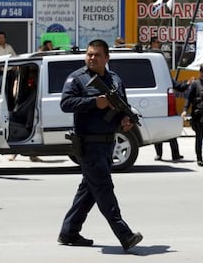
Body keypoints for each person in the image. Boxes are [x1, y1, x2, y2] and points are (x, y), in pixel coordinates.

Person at [57, 39, 142, 250]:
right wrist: (95, 102)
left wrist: (125, 120)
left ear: (106, 58)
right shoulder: (77, 79)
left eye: (96, 55)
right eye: (89, 54)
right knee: (104, 189)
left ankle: (69, 232)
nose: (92, 58)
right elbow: (66, 104)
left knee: (89, 190)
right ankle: (125, 235)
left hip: (107, 144)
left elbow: (123, 106)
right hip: (88, 145)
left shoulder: (115, 80)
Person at [154, 78, 193, 161]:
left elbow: (179, 87)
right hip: (160, 106)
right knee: (162, 131)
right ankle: (161, 154)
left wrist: (187, 83)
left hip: (165, 106)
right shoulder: (162, 77)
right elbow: (179, 87)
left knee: (169, 132)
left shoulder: (165, 78)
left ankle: (173, 154)